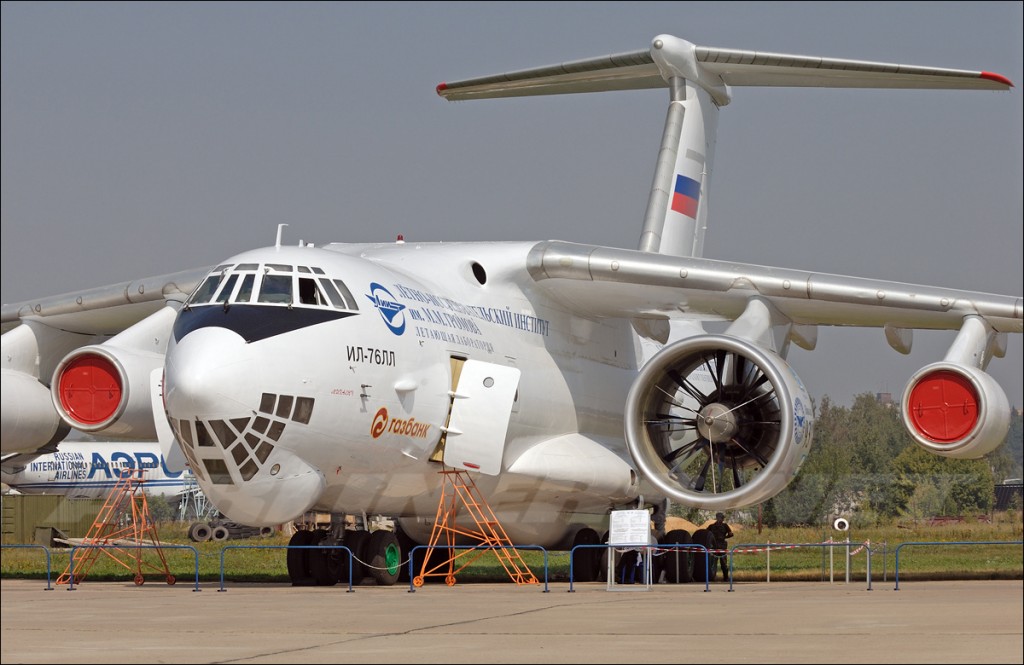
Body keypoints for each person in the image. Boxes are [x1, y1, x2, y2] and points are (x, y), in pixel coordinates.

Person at [706, 512, 734, 580]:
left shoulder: (725, 526)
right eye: (720, 517)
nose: (721, 519)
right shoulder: (711, 526)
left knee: (723, 563)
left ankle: (726, 578)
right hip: (714, 547)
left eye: (721, 518)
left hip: (721, 546)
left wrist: (724, 537)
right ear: (718, 518)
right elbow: (706, 534)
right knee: (712, 563)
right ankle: (712, 577)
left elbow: (731, 534)